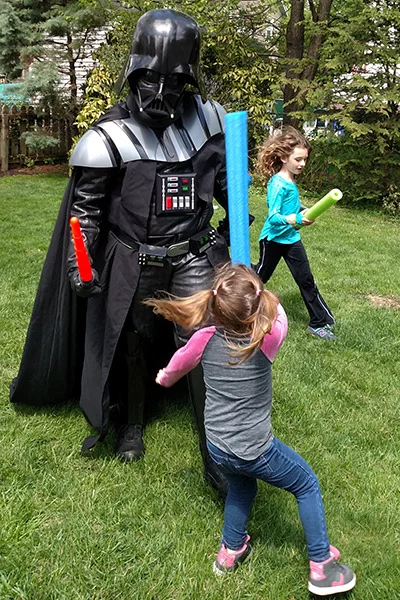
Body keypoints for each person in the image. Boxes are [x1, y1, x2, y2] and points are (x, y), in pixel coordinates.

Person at [10, 8, 234, 496]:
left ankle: (217, 448)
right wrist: (80, 263)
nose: (160, 93)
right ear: (133, 72)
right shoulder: (107, 136)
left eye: (174, 82)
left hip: (193, 254)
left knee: (204, 344)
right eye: (150, 79)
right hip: (135, 257)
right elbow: (85, 211)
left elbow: (228, 189)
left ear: (189, 79)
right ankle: (131, 422)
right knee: (132, 342)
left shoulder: (212, 122)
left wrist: (237, 239)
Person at [146, 263, 356, 596]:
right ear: (257, 306)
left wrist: (165, 378)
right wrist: (264, 294)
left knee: (243, 489)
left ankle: (230, 552)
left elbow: (178, 363)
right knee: (306, 484)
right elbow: (280, 314)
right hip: (255, 448)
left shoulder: (203, 339)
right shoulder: (266, 337)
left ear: (214, 305)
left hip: (217, 445)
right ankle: (322, 566)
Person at [254, 126, 337, 340]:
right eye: (298, 159)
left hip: (291, 239)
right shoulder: (278, 184)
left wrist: (303, 210)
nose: (302, 164)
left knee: (306, 279)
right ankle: (236, 305)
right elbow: (273, 217)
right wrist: (298, 219)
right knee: (258, 277)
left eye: (305, 160)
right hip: (272, 239)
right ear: (283, 157)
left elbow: (293, 206)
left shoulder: (290, 181)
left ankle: (319, 322)